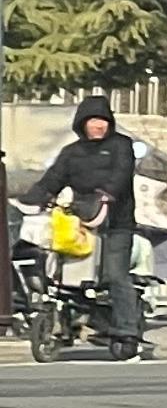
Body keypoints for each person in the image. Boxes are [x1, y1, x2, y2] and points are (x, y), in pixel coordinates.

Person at [26, 93, 145, 355]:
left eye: (103, 121)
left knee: (115, 276)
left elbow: (122, 174)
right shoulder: (71, 153)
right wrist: (31, 199)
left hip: (116, 223)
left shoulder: (121, 145)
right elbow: (52, 180)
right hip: (81, 223)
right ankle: (70, 320)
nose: (98, 126)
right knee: (63, 276)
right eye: (93, 121)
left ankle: (127, 333)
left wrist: (107, 195)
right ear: (82, 123)